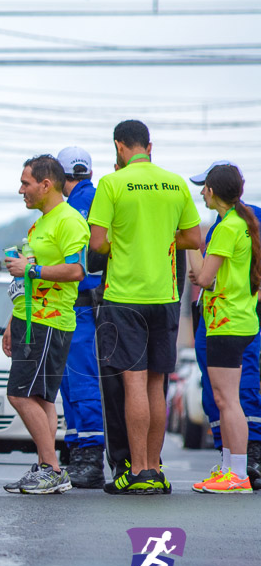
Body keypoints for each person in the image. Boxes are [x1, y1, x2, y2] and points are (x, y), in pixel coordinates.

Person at [87, 120, 201, 495]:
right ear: (149, 146)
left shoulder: (112, 183)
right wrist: (159, 237)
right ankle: (155, 469)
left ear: (119, 146)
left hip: (125, 297)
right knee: (158, 383)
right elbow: (192, 238)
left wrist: (126, 238)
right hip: (167, 296)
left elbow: (99, 244)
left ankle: (136, 472)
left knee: (133, 382)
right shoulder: (175, 183)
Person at [1, 155, 88, 495]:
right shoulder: (40, 223)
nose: (21, 190)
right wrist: (12, 320)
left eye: (25, 183)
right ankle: (45, 467)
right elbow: (26, 275)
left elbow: (77, 270)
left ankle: (52, 468)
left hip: (49, 321)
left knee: (19, 394)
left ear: (46, 184)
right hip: (29, 317)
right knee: (43, 398)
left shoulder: (69, 220)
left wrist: (31, 269)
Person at [187, 161, 261, 491]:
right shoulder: (241, 222)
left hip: (226, 321)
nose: (201, 193)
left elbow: (204, 277)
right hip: (236, 319)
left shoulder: (228, 227)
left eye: (204, 188)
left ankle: (238, 474)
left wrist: (189, 245)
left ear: (213, 191)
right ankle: (231, 469)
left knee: (228, 399)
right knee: (223, 397)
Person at [55, 147, 106, 488]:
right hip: (86, 302)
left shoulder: (71, 209)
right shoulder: (99, 198)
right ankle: (77, 452)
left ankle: (88, 454)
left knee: (80, 379)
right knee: (73, 379)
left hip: (81, 302)